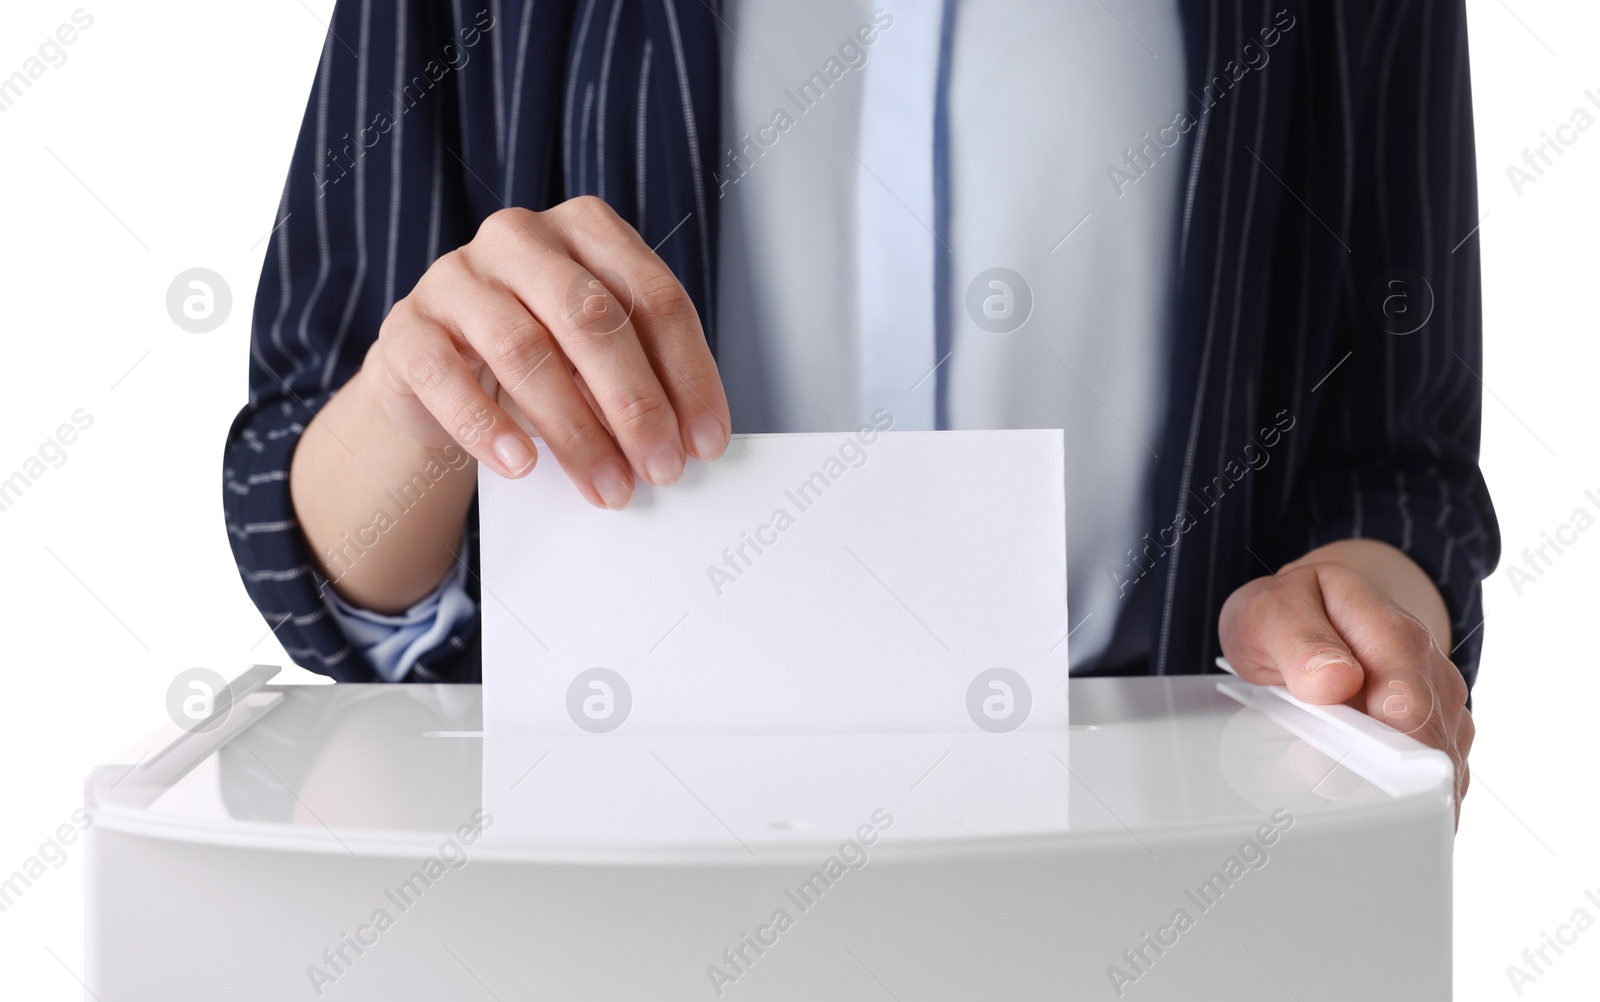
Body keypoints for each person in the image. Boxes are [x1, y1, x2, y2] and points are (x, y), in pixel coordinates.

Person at [224, 0, 1495, 813]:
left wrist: (1354, 616)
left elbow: (1396, 465)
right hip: (606, 867)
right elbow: (310, 504)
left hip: (1153, 868)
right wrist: (420, 405)